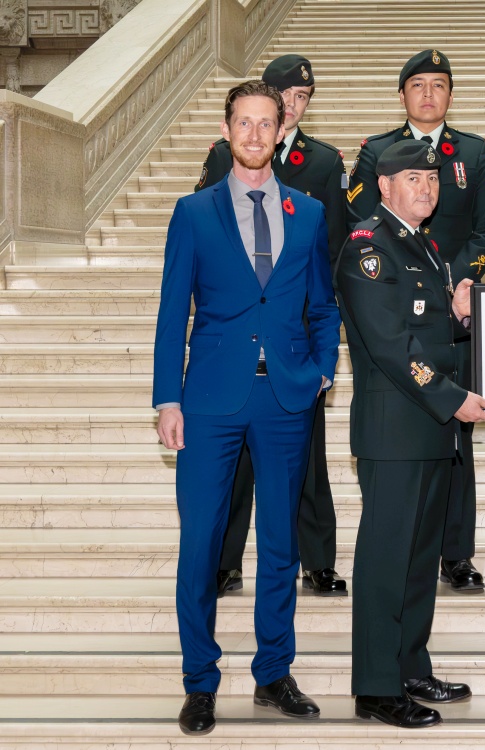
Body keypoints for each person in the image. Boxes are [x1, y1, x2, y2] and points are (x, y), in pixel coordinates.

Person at [154, 80, 340, 735]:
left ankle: (273, 674)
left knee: (282, 543)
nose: (257, 134)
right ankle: (200, 681)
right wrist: (166, 398)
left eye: (268, 123)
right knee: (202, 544)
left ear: (281, 129)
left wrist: (323, 369)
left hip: (285, 396)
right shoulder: (194, 212)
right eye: (246, 123)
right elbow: (173, 310)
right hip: (208, 401)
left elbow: (324, 303)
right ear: (228, 131)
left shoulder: (309, 214)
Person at [336, 140, 485, 728]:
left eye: (431, 179)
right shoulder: (369, 248)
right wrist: (454, 398)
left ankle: (410, 664)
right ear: (383, 187)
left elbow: (429, 334)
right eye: (411, 179)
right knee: (386, 558)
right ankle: (376, 687)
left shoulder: (423, 246)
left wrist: (473, 323)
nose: (426, 188)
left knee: (419, 556)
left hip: (430, 430)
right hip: (396, 430)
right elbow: (391, 346)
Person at [347, 49, 485, 591]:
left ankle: (455, 550)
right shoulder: (376, 154)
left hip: (454, 307)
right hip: (400, 309)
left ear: (451, 95)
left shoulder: (475, 153)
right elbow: (365, 220)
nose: (429, 94)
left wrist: (458, 280)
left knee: (453, 440)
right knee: (430, 426)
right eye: (418, 85)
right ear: (403, 95)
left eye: (440, 85)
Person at [196, 54, 349, 599]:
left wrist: (322, 350)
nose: (290, 105)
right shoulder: (223, 155)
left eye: (300, 98)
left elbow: (333, 253)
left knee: (307, 463)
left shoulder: (325, 164)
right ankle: (226, 559)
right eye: (284, 95)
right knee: (233, 466)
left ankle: (319, 560)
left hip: (295, 338)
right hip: (236, 342)